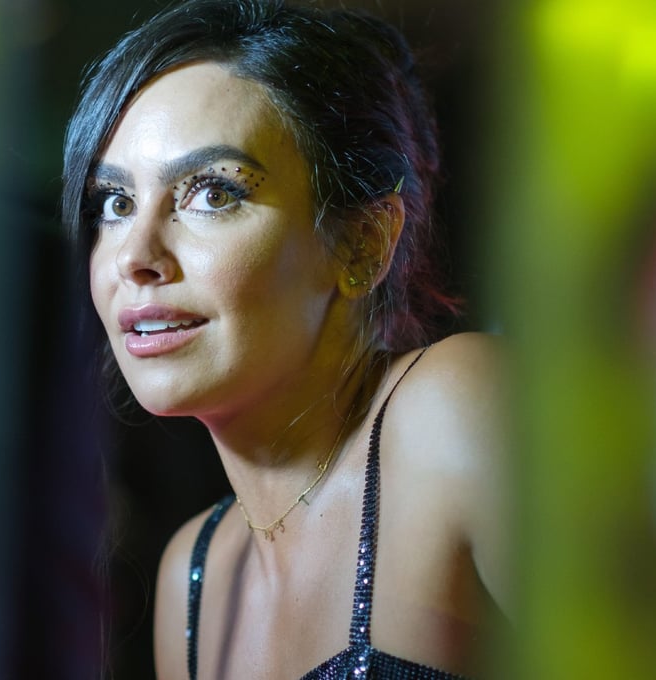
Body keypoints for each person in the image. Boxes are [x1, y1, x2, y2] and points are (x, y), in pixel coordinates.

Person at [61, 1, 511, 677]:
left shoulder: (454, 411)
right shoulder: (193, 575)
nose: (135, 257)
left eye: (212, 193)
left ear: (362, 243)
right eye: (115, 204)